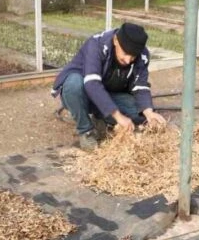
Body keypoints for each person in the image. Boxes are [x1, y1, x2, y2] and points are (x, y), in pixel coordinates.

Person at [52, 22, 166, 150]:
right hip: (83, 93)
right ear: (116, 40)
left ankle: (101, 121)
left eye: (133, 56)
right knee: (73, 84)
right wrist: (119, 116)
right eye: (126, 53)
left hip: (110, 94)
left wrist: (149, 113)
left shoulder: (142, 55)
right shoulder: (96, 44)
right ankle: (86, 131)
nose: (128, 60)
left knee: (139, 112)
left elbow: (140, 85)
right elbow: (92, 84)